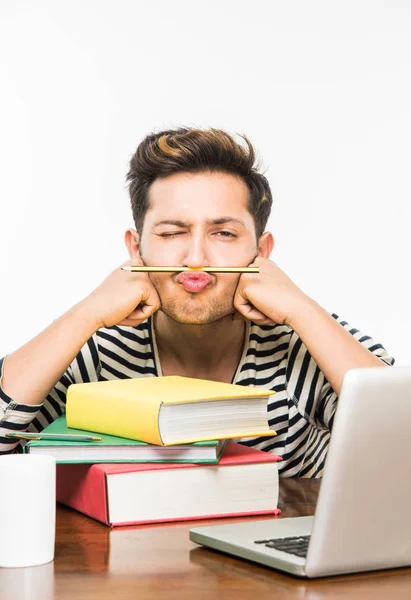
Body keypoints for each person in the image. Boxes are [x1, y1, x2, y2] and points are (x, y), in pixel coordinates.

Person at [0, 128, 393, 476]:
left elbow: (397, 438)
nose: (196, 259)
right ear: (136, 250)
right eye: (172, 233)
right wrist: (84, 313)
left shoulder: (311, 339)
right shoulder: (97, 349)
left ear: (261, 252)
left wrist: (303, 308)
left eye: (223, 234)